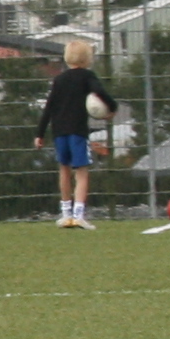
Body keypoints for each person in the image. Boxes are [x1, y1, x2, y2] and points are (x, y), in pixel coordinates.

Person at [37, 39, 120, 228]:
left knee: (64, 170)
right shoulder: (87, 76)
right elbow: (99, 91)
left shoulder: (59, 79)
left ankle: (66, 214)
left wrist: (39, 133)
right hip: (77, 131)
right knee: (81, 172)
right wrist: (112, 107)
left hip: (59, 132)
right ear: (87, 59)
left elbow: (49, 107)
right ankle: (79, 215)